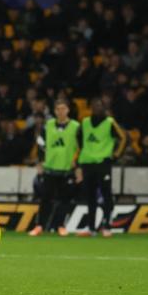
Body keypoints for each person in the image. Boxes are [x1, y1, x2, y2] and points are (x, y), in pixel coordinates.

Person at [29, 99, 80, 236]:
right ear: (55, 111)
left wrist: (77, 164)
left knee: (65, 199)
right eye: (58, 109)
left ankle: (60, 226)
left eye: (63, 108)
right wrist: (40, 162)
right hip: (50, 168)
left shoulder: (76, 126)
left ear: (68, 110)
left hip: (67, 168)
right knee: (45, 199)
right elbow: (40, 143)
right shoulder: (48, 125)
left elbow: (81, 146)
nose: (61, 111)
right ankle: (39, 226)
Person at [75, 98, 126, 237]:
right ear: (90, 107)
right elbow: (77, 137)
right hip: (87, 163)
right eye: (94, 105)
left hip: (103, 163)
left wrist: (115, 156)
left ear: (104, 108)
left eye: (100, 105)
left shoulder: (110, 122)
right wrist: (82, 153)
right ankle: (91, 227)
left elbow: (123, 138)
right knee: (90, 196)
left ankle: (107, 226)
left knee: (106, 194)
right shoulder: (85, 122)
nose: (97, 108)